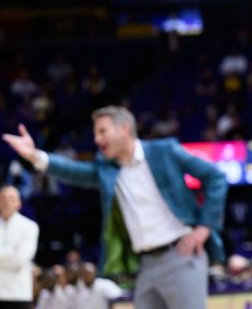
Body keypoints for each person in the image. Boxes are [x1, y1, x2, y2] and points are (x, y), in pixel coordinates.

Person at [2, 106, 228, 309]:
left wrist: (204, 227)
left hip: (181, 255)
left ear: (124, 129)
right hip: (144, 264)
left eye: (102, 131)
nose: (96, 139)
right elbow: (73, 172)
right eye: (95, 133)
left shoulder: (164, 151)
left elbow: (216, 178)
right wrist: (35, 156)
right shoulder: (108, 170)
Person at [0, 185, 39, 309]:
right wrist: (11, 251)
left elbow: (20, 259)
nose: (6, 202)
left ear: (19, 203)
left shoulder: (30, 226)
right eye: (3, 198)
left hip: (18, 294)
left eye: (11, 198)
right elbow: (15, 257)